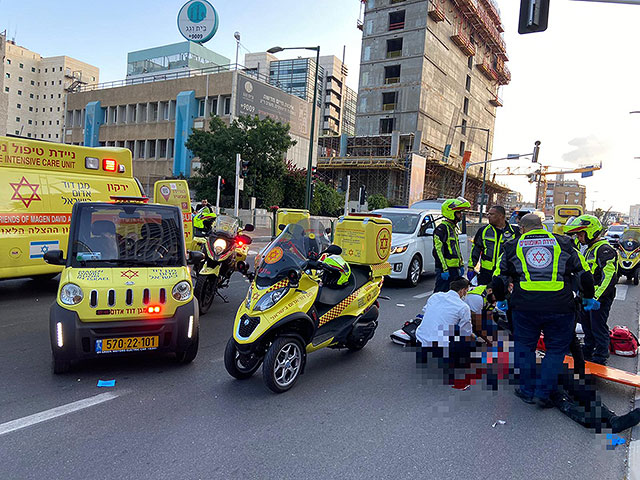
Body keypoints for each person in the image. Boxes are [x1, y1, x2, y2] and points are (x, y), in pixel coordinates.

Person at [492, 213, 598, 408]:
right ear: (542, 226)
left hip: (524, 307)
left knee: (525, 348)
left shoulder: (512, 245)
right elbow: (585, 275)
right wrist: (588, 297)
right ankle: (543, 394)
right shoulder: (564, 243)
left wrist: (501, 300)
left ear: (522, 228)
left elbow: (499, 278)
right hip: (560, 307)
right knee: (556, 350)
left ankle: (526, 390)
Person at [565, 215, 618, 365]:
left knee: (598, 326)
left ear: (591, 232)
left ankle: (601, 355)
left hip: (599, 298)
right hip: (587, 296)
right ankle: (588, 350)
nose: (579, 238)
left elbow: (609, 277)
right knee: (587, 326)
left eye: (581, 234)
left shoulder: (604, 250)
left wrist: (597, 298)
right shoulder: (589, 249)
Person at [416, 278, 479, 385]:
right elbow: (466, 331)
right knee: (467, 341)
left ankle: (422, 357)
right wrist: (473, 337)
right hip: (439, 344)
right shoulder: (463, 307)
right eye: (466, 291)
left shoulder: (435, 296)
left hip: (421, 335)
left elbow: (426, 311)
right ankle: (452, 370)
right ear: (462, 291)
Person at [469, 205, 520, 285]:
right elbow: (476, 249)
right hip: (486, 273)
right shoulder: (484, 231)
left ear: (501, 216)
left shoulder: (514, 232)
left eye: (491, 214)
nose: (488, 216)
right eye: (488, 214)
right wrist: (471, 267)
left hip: (505, 273)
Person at [432, 197, 470, 293]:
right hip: (446, 269)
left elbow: (456, 249)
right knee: (440, 294)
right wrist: (444, 269)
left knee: (452, 295)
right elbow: (438, 251)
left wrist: (460, 264)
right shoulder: (442, 228)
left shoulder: (452, 228)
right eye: (458, 213)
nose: (461, 215)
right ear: (450, 212)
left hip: (454, 268)